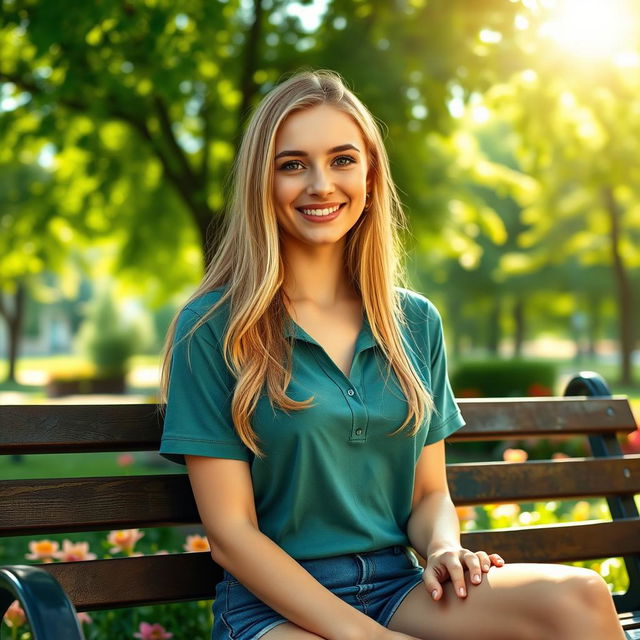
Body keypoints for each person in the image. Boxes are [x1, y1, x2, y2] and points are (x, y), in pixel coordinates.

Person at [158, 70, 625, 640]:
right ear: (264, 181)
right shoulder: (213, 327)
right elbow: (232, 536)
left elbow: (428, 494)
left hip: (397, 587)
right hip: (273, 605)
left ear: (371, 176)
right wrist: (368, 638)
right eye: (293, 164)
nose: (321, 184)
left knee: (579, 597)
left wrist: (443, 546)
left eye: (342, 160)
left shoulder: (414, 321)